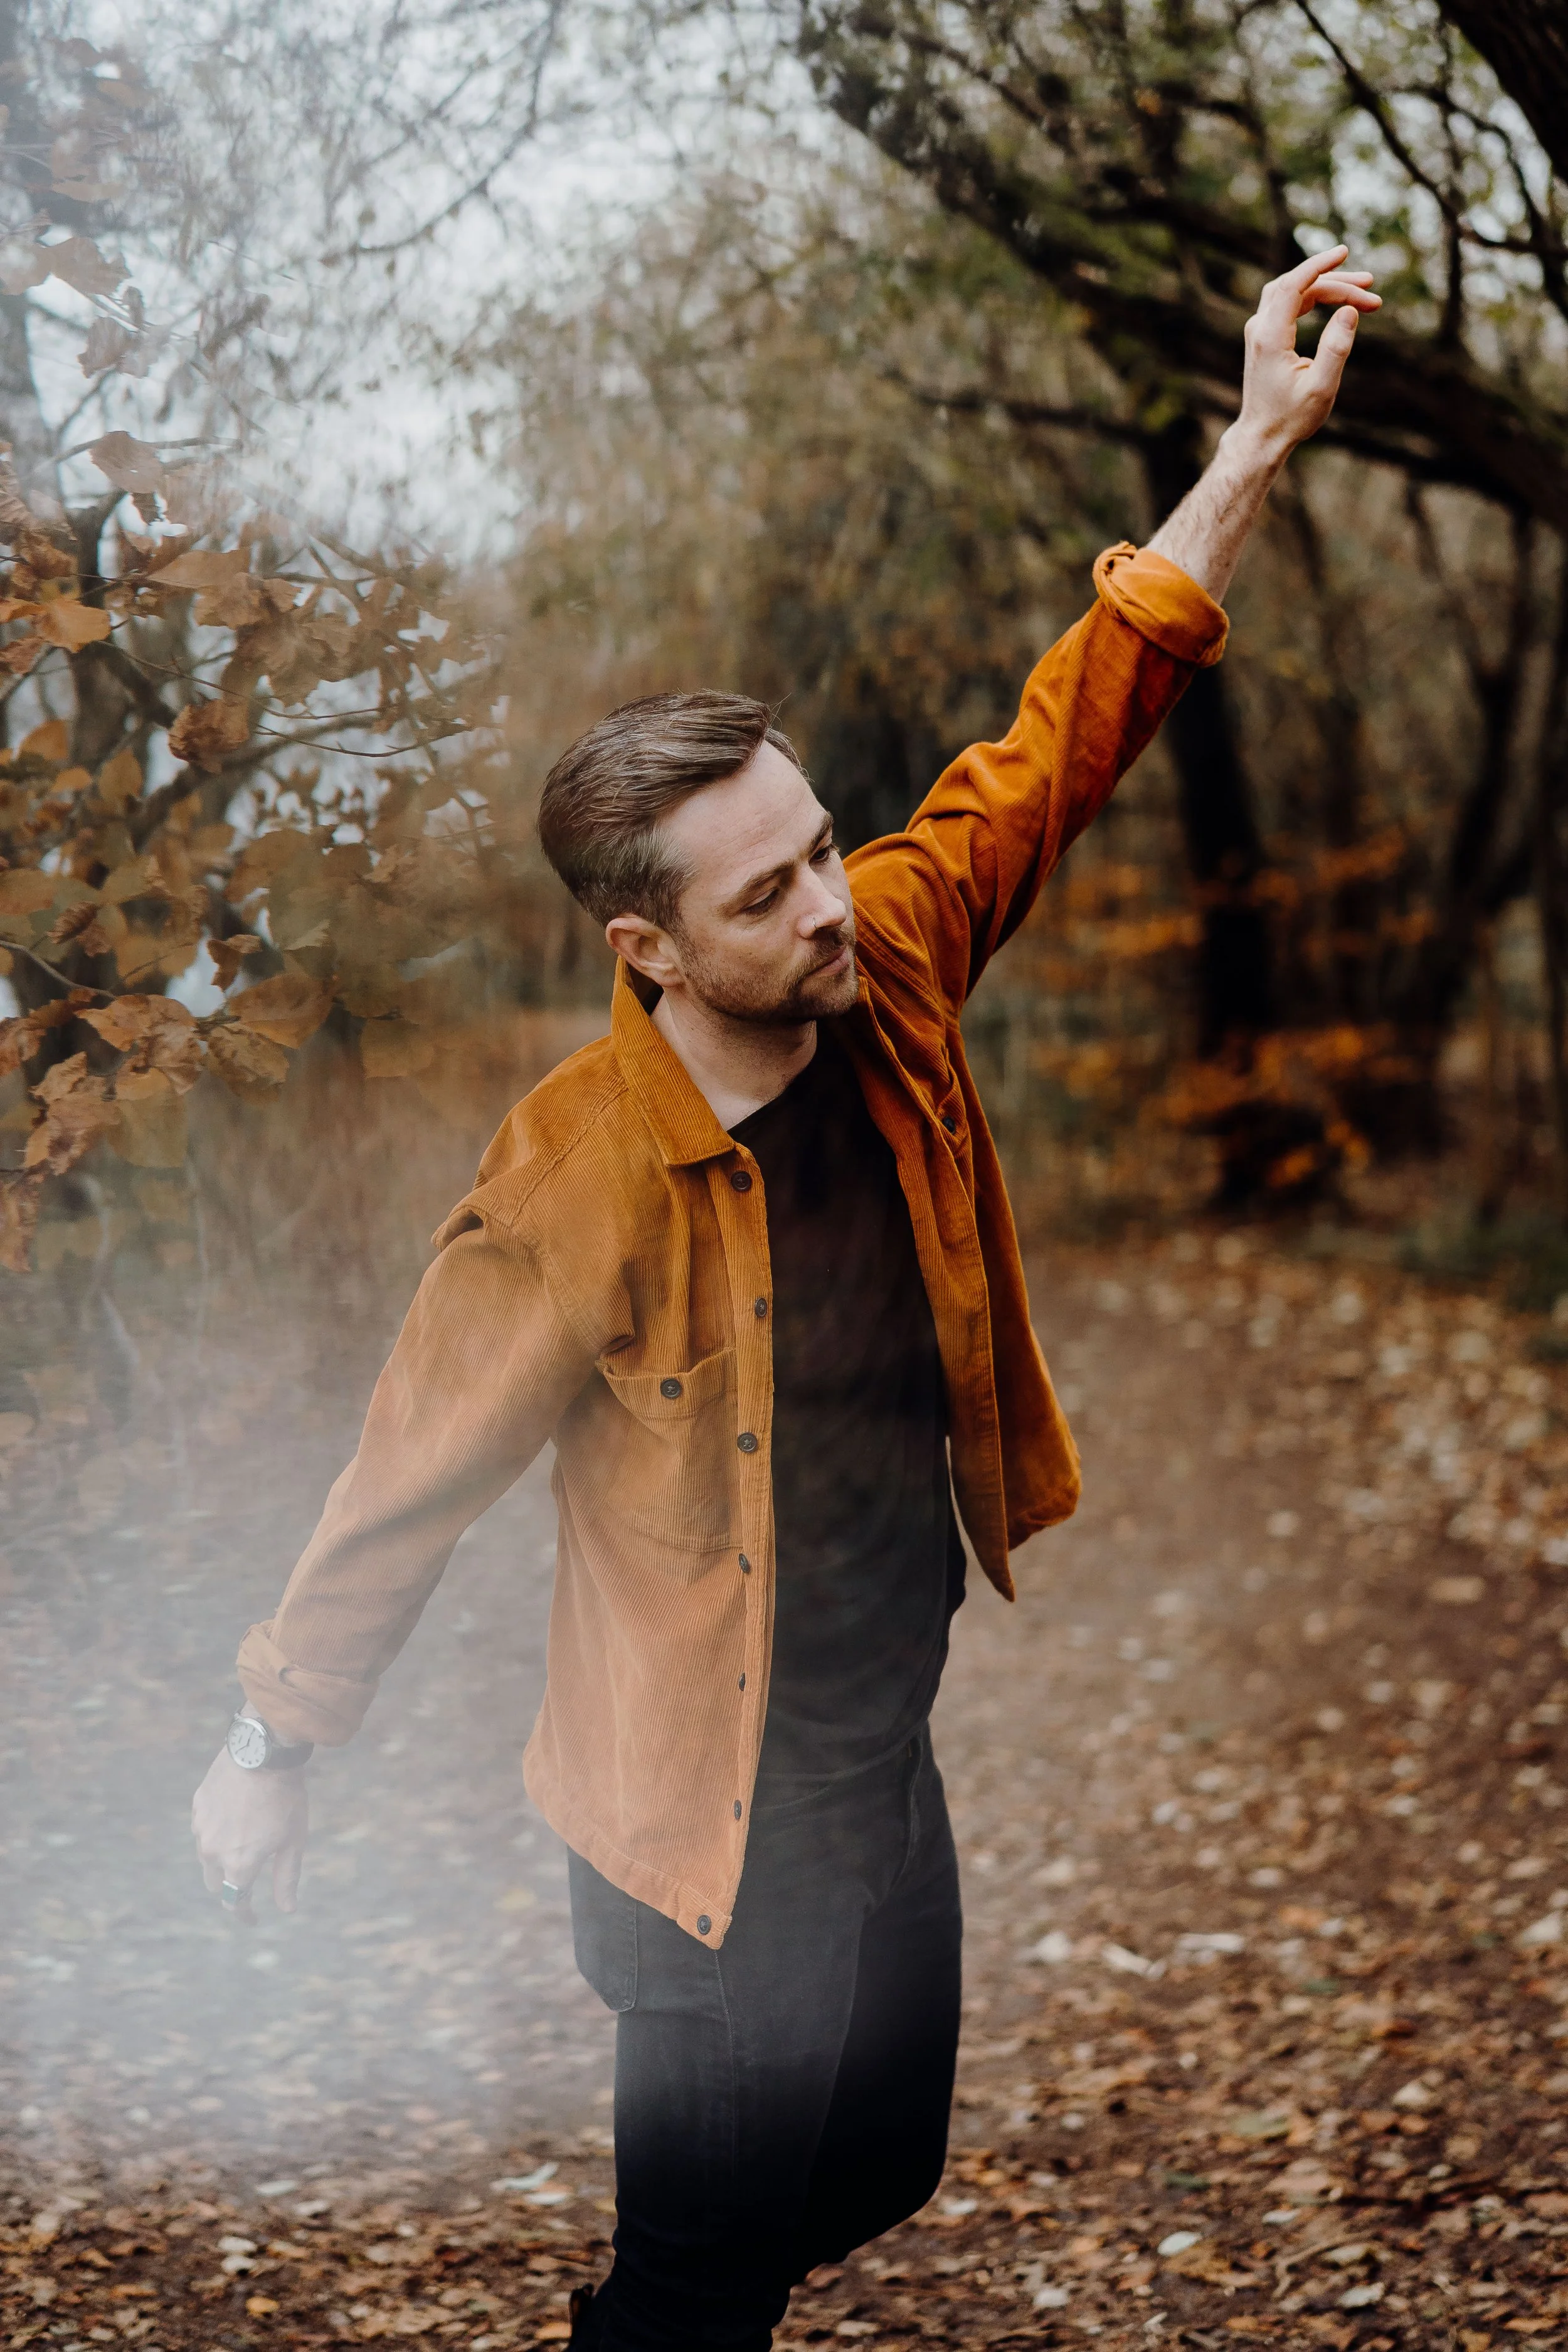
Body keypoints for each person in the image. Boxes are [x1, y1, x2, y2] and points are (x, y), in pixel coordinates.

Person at [193, 245, 1379, 2349]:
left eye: (822, 845)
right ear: (648, 947)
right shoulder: (576, 1170)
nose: (830, 902)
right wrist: (274, 1736)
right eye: (768, 892)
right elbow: (413, 1462)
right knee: (701, 2281)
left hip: (873, 1741)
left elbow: (1070, 724)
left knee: (884, 2164)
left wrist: (1254, 442)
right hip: (698, 1823)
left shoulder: (889, 963)